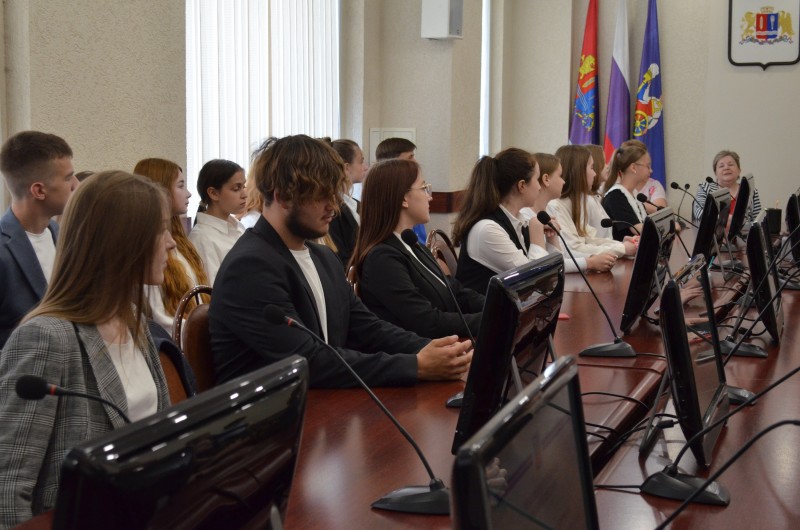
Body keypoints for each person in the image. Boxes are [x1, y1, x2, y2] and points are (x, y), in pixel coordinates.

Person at [209, 134, 472, 388]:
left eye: (334, 194)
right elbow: (307, 361)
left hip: (322, 400)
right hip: (270, 412)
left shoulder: (323, 257)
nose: (333, 207)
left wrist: (431, 349)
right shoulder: (250, 267)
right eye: (321, 196)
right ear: (283, 197)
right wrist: (416, 365)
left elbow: (367, 327)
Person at [0, 171, 175, 527]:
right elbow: (7, 489)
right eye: (161, 230)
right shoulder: (46, 338)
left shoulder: (134, 321)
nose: (172, 243)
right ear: (123, 242)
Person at [349, 158, 484, 339]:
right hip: (422, 351)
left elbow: (456, 293)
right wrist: (491, 319)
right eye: (424, 188)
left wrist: (498, 305)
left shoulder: (411, 242)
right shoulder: (382, 258)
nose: (430, 196)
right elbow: (427, 322)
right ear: (404, 199)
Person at [0, 131, 76, 348]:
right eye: (68, 178)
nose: (75, 185)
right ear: (39, 190)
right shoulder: (3, 251)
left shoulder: (62, 235)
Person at [452, 148, 557, 294]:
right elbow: (536, 281)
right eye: (536, 179)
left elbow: (554, 276)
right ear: (522, 185)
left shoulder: (517, 221)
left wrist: (552, 238)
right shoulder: (487, 229)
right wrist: (537, 232)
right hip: (482, 308)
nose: (540, 187)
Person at [134, 158, 210, 332]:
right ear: (161, 189)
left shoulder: (180, 240)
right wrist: (201, 336)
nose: (188, 194)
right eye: (181, 186)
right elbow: (160, 319)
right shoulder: (148, 250)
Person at [525, 152, 617, 273]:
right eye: (560, 176)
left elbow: (560, 256)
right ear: (546, 179)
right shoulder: (528, 216)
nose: (563, 181)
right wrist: (590, 262)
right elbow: (541, 266)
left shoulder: (551, 209)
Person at [546, 145, 636, 264]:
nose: (594, 173)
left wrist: (620, 245)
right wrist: (622, 248)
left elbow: (589, 240)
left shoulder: (575, 203)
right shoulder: (555, 206)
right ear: (579, 172)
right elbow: (573, 249)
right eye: (592, 168)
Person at [189, 159, 247, 283]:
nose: (244, 194)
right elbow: (212, 287)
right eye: (236, 189)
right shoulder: (202, 237)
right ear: (214, 193)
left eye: (244, 186)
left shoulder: (238, 227)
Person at [375, 137, 427, 244]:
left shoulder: (415, 205)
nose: (415, 162)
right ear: (394, 162)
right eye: (410, 157)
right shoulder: (384, 204)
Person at [328, 139, 368, 268]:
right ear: (346, 167)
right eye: (361, 161)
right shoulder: (331, 210)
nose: (365, 167)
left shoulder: (357, 204)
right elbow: (341, 257)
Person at [694, 150, 762, 223]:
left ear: (739, 170)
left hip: (744, 230)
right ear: (715, 173)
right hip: (713, 230)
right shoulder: (705, 188)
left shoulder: (750, 191)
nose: (726, 168)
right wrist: (725, 220)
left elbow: (758, 221)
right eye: (721, 166)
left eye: (731, 164)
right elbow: (698, 213)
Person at [602, 143, 651, 241]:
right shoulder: (615, 196)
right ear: (633, 168)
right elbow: (637, 229)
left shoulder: (634, 193)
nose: (651, 170)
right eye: (648, 166)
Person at [584, 144, 614, 239]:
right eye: (604, 162)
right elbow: (593, 239)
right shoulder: (586, 200)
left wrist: (621, 243)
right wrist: (622, 246)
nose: (607, 166)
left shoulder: (594, 197)